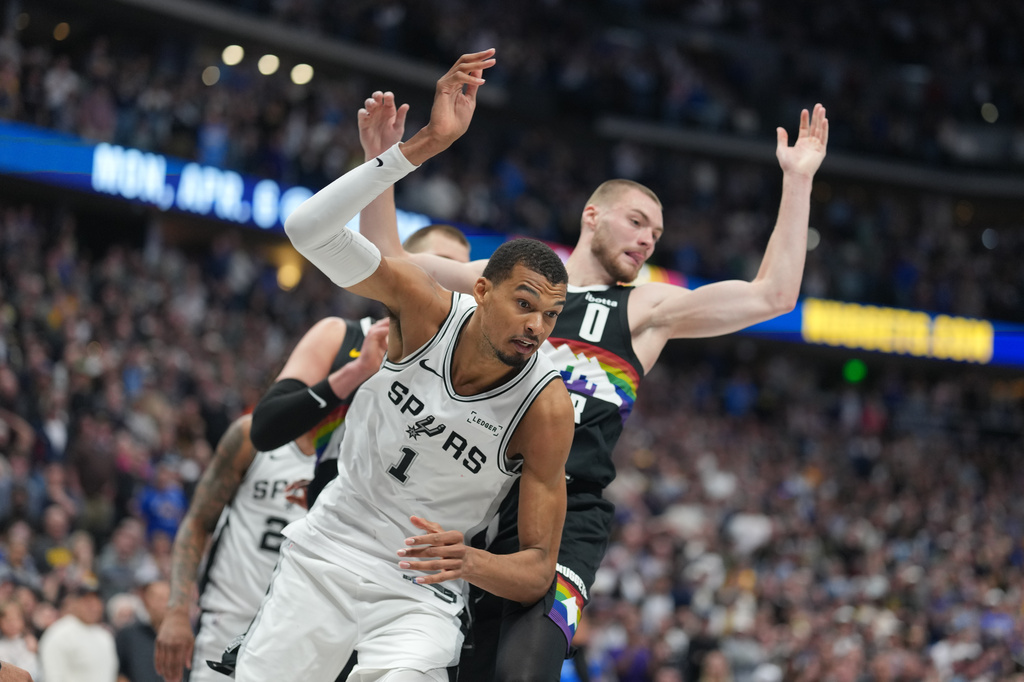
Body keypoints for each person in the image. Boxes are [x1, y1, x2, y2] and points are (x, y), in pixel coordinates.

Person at [356, 86, 829, 679]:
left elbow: (772, 296)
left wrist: (799, 180)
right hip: (476, 496)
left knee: (522, 672)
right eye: (636, 222)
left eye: (655, 235)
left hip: (568, 516)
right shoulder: (510, 281)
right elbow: (386, 263)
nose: (645, 239)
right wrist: (381, 164)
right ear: (591, 216)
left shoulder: (645, 311)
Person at [222, 48, 575, 682]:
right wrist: (424, 145)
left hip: (421, 590)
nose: (536, 327)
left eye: (550, 316)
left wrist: (469, 562)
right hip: (330, 547)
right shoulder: (425, 310)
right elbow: (308, 230)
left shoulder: (546, 406)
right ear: (482, 291)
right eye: (525, 305)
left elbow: (536, 571)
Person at [152, 379, 376, 682]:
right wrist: (177, 610)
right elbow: (197, 521)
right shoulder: (251, 436)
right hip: (228, 620)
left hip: (299, 632)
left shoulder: (361, 461)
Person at [38, 579, 118, 682]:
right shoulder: (58, 634)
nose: (93, 606)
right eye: (87, 601)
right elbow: (52, 676)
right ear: (74, 602)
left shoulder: (105, 636)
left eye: (97, 600)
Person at [114, 580, 169, 682]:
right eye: (158, 598)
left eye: (167, 598)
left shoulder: (188, 638)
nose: (163, 604)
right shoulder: (128, 636)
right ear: (146, 601)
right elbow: (120, 673)